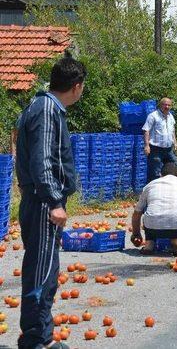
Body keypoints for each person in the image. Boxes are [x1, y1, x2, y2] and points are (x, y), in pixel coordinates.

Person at [15, 51, 86, 349]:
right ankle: (36, 340)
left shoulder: (42, 105)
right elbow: (42, 160)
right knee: (41, 272)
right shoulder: (46, 109)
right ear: (76, 86)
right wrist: (54, 201)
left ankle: (39, 335)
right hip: (44, 203)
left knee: (44, 269)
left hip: (40, 200)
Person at [142, 97, 177, 183]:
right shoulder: (153, 116)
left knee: (174, 166)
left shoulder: (171, 116)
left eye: (169, 105)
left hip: (169, 149)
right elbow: (146, 130)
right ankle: (153, 190)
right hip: (156, 149)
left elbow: (172, 131)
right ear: (160, 105)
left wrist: (175, 143)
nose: (167, 107)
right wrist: (147, 145)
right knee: (155, 171)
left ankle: (170, 186)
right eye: (165, 104)